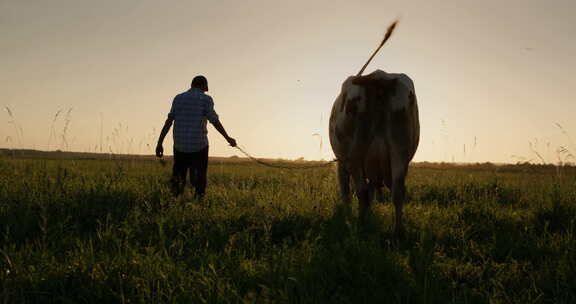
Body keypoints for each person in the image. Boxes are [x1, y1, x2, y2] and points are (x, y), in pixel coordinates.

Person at [156, 75, 236, 198]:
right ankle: (198, 202)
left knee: (178, 179)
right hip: (199, 147)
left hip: (180, 146)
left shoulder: (178, 98)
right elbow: (214, 121)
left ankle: (174, 203)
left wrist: (159, 143)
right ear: (203, 85)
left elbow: (169, 121)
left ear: (192, 85)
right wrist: (228, 138)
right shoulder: (206, 99)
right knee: (200, 179)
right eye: (206, 86)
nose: (207, 89)